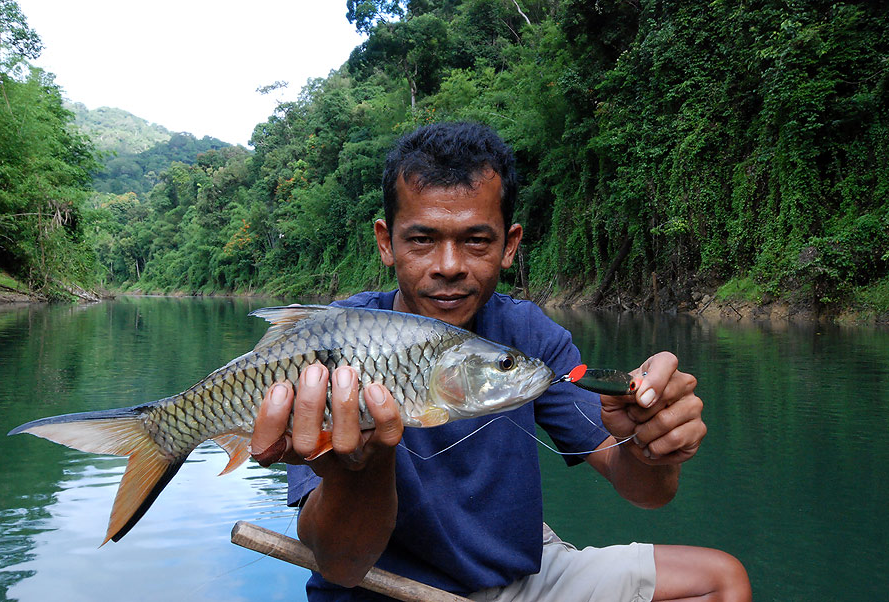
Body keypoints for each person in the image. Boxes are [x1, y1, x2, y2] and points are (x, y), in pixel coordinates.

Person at [249, 122, 752, 601]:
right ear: (387, 242)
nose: (448, 266)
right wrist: (360, 468)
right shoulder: (332, 344)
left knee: (720, 583)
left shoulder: (529, 337)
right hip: (377, 589)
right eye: (422, 240)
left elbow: (643, 490)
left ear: (509, 245)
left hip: (519, 582)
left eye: (475, 240)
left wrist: (650, 444)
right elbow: (339, 563)